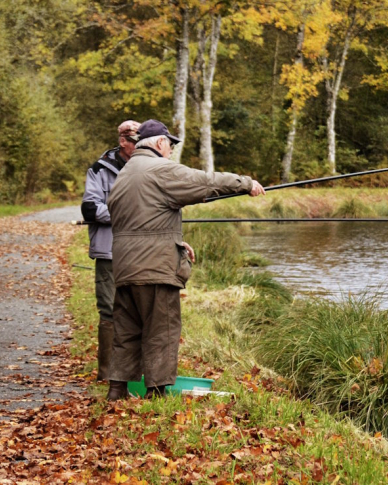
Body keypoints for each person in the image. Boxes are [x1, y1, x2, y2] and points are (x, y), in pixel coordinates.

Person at [105, 119, 264, 400]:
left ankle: (116, 390)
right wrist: (245, 183)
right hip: (155, 267)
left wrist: (176, 240)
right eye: (171, 145)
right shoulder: (159, 168)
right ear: (159, 143)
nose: (171, 152)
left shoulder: (126, 173)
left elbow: (141, 219)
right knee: (161, 330)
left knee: (126, 330)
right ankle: (156, 393)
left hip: (124, 266)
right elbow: (204, 182)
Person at [80, 120, 141, 382]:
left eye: (132, 138)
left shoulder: (149, 167)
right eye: (126, 139)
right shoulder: (99, 169)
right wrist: (125, 214)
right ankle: (106, 375)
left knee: (139, 311)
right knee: (109, 311)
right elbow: (89, 209)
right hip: (109, 252)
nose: (126, 143)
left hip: (141, 252)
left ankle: (135, 372)